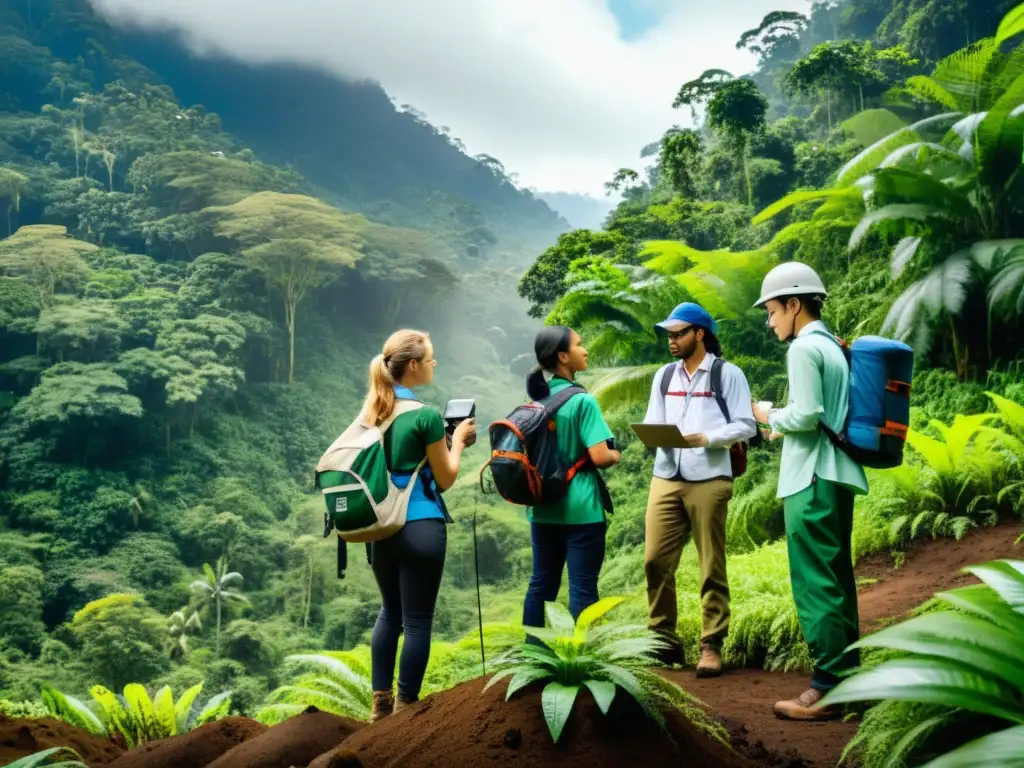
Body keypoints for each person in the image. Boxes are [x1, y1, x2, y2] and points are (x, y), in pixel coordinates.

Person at [751, 262, 868, 721]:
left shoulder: (803, 349)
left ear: (794, 305)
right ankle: (851, 682)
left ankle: (827, 688)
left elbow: (806, 414)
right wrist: (786, 422)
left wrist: (766, 414)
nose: (770, 319)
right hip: (838, 473)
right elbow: (825, 416)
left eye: (773, 310)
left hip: (812, 478)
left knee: (815, 581)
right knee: (837, 579)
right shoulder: (834, 347)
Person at [364, 329, 477, 723]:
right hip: (421, 526)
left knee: (389, 613)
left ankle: (379, 707)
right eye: (430, 359)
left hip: (381, 529)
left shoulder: (373, 411)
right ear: (413, 365)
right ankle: (403, 713)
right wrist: (458, 440)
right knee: (416, 622)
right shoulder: (426, 416)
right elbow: (445, 478)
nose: (433, 364)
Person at [642, 302, 756, 676]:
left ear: (700, 334)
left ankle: (711, 644)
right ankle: (662, 641)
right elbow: (653, 421)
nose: (671, 341)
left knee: (710, 564)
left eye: (678, 334)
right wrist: (652, 433)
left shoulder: (728, 375)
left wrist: (706, 438)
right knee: (655, 561)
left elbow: (746, 426)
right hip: (666, 474)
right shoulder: (664, 377)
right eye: (669, 335)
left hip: (709, 477)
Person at [522, 326, 621, 636]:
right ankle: (585, 660)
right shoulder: (583, 402)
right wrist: (615, 455)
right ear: (563, 356)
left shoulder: (535, 400)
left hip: (542, 507)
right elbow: (601, 457)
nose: (585, 349)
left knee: (541, 584)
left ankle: (534, 656)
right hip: (581, 508)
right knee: (583, 587)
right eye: (580, 344)